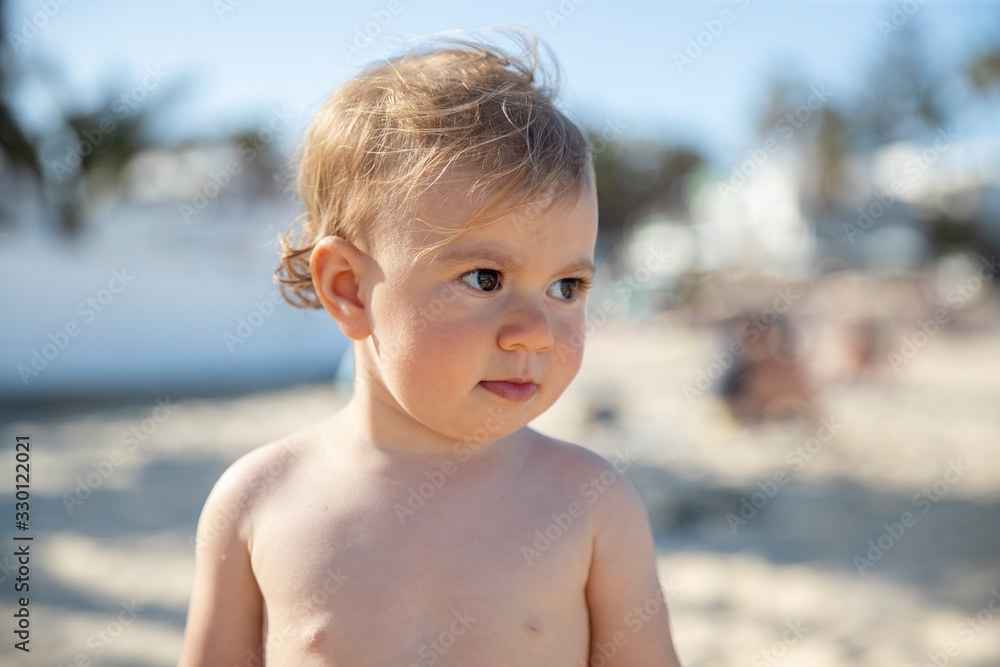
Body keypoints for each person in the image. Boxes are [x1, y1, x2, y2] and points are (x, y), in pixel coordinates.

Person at [179, 27, 681, 667]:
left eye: (566, 285)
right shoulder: (256, 502)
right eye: (485, 279)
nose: (535, 331)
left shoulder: (589, 504)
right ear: (349, 290)